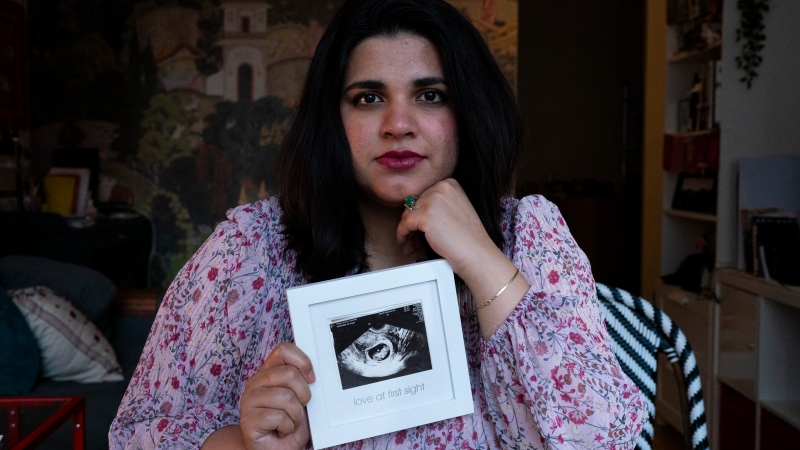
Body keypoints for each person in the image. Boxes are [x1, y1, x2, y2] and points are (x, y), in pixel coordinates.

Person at [110, 0, 647, 448]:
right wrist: (242, 444)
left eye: (430, 95)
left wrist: (483, 259)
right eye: (368, 98)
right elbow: (139, 435)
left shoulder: (530, 236)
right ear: (332, 118)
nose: (397, 125)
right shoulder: (249, 251)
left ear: (469, 113)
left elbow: (604, 439)